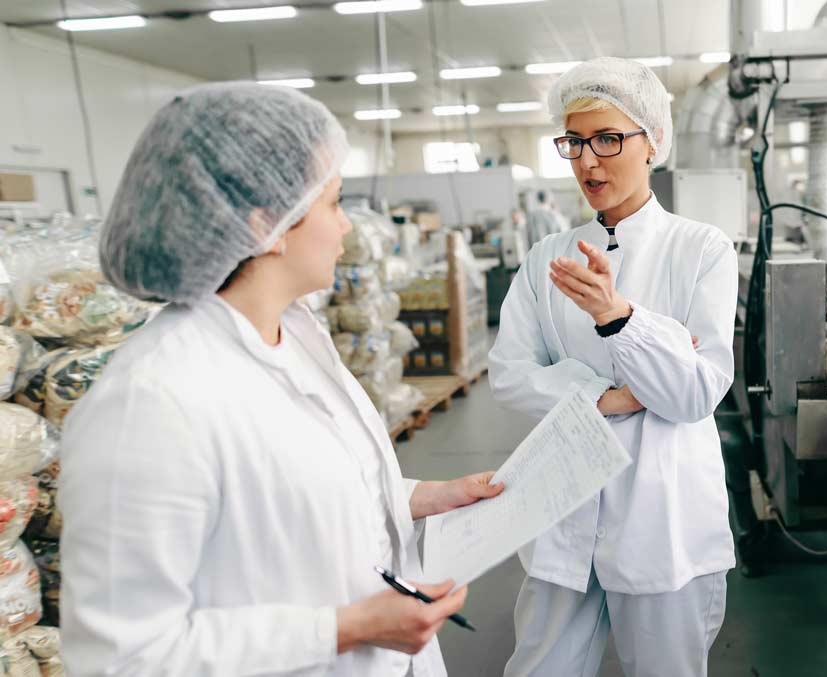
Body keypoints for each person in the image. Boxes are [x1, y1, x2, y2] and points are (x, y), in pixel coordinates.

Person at [58, 82, 502, 676]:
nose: (348, 228)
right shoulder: (150, 403)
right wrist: (347, 629)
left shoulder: (293, 336)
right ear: (268, 223)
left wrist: (425, 498)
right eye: (335, 203)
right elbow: (123, 657)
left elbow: (304, 496)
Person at [489, 57, 737, 677]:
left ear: (651, 142)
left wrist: (620, 317)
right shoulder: (548, 257)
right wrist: (612, 396)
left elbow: (696, 392)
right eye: (573, 141)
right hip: (563, 505)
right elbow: (509, 374)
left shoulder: (701, 249)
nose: (587, 161)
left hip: (663, 517)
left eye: (607, 139)